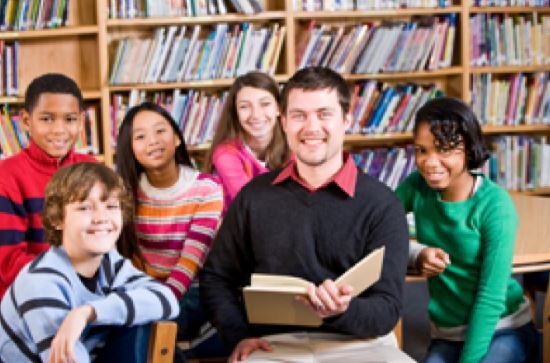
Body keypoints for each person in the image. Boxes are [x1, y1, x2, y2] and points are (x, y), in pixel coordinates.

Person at [200, 66, 411, 362]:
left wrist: (342, 310)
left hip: (361, 344)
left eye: (324, 114)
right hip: (274, 346)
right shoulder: (254, 197)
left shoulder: (383, 204)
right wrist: (240, 335)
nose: (311, 127)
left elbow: (387, 309)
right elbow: (216, 278)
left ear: (346, 121)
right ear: (283, 122)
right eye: (299, 116)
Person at [395, 97, 540, 363]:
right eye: (421, 150)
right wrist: (417, 253)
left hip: (503, 329)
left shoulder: (495, 206)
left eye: (444, 150)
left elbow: (490, 298)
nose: (430, 162)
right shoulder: (416, 186)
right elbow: (378, 227)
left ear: (469, 149)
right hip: (447, 336)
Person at [0, 162, 179, 363]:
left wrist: (88, 312)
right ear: (58, 219)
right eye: (85, 207)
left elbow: (166, 301)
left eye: (111, 206)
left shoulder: (110, 262)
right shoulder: (41, 283)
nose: (101, 218)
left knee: (144, 328)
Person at [115, 102, 225, 355]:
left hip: (191, 288)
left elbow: (191, 261)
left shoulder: (207, 188)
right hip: (143, 287)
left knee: (147, 331)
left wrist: (156, 304)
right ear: (130, 148)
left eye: (160, 131)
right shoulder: (123, 190)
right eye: (140, 137)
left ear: (176, 138)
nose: (152, 141)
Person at [0, 73, 96, 298]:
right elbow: (9, 263)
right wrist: (77, 271)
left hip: (87, 292)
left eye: (70, 119)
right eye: (47, 119)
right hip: (28, 297)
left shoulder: (93, 172)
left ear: (81, 121)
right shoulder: (7, 177)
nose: (59, 130)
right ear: (26, 121)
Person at [204, 71, 289, 209]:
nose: (256, 115)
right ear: (236, 113)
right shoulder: (225, 155)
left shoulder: (293, 144)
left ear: (278, 108)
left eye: (265, 104)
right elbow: (252, 204)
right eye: (244, 106)